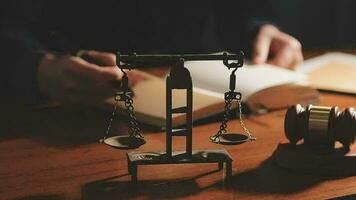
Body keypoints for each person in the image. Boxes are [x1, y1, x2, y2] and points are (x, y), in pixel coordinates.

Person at [0, 1, 302, 105]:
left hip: (196, 102)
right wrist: (37, 67)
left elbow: (240, 7)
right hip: (68, 103)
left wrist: (258, 28)